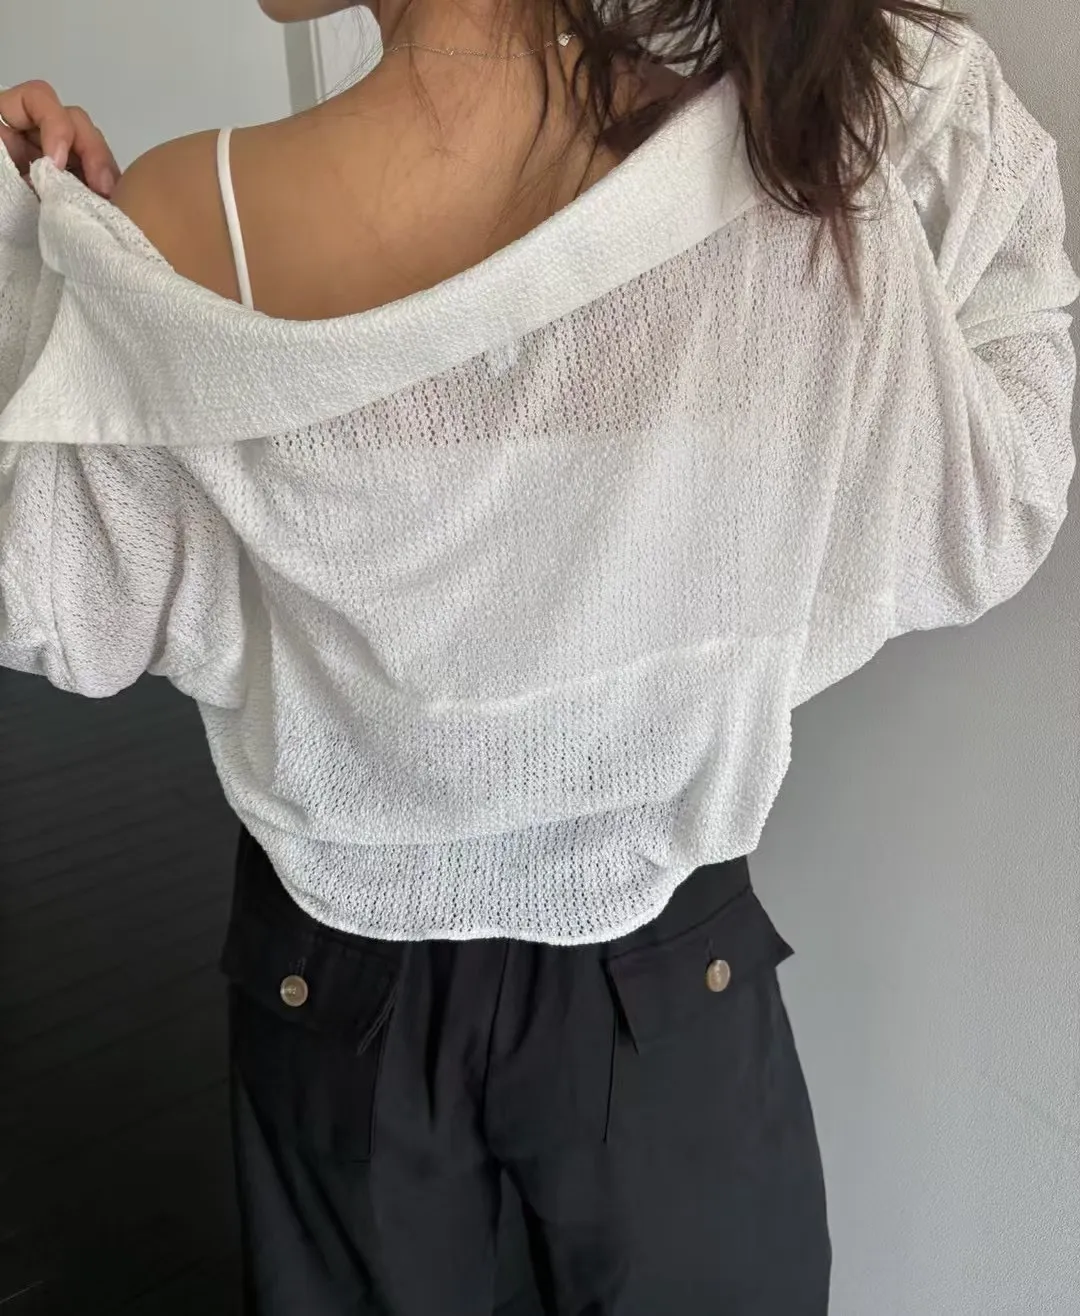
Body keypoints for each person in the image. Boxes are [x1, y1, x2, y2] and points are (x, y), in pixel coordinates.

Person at [0, 0, 1076, 1311]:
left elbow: (63, 599)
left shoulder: (188, 207)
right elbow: (994, 494)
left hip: (342, 974)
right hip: (659, 969)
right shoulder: (776, 166)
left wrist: (46, 267)